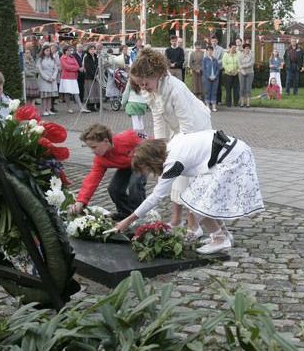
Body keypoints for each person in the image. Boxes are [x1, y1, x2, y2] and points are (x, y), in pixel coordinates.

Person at [114, 130, 264, 254]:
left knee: (195, 200)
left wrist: (127, 220)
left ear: (151, 161)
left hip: (232, 158)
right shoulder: (171, 145)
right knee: (202, 198)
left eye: (146, 169)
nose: (148, 173)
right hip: (230, 153)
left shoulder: (173, 162)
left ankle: (220, 240)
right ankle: (224, 235)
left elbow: (156, 197)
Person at [129, 48, 213, 240]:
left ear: (156, 74)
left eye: (144, 82)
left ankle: (194, 226)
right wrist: (160, 148)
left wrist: (176, 151)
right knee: (174, 173)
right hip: (178, 130)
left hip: (197, 130)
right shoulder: (150, 90)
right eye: (139, 84)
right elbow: (158, 118)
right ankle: (176, 220)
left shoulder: (175, 89)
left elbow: (188, 126)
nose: (143, 87)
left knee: (187, 175)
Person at [68, 124, 146, 221]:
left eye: (94, 147)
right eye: (90, 148)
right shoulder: (100, 160)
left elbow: (147, 139)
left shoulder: (126, 138)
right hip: (126, 166)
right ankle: (125, 213)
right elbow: (91, 180)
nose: (93, 151)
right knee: (114, 189)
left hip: (142, 161)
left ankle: (139, 216)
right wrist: (80, 201)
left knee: (135, 185)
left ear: (106, 141)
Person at [37, 44, 59, 117]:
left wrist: (53, 77)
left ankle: (49, 109)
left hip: (52, 79)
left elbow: (56, 69)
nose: (48, 52)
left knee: (50, 96)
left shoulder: (52, 59)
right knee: (44, 96)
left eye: (49, 50)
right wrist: (47, 78)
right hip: (44, 80)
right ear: (43, 51)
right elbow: (40, 70)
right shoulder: (40, 59)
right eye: (47, 50)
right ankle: (44, 110)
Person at [59, 45, 82, 114]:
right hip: (66, 78)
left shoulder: (72, 57)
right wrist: (74, 68)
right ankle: (69, 108)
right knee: (67, 93)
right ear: (65, 51)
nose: (70, 52)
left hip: (73, 77)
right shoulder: (62, 58)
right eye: (69, 50)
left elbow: (77, 65)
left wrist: (73, 68)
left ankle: (81, 107)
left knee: (76, 92)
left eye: (71, 50)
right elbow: (66, 67)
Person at [82, 44, 100, 112]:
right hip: (89, 77)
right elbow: (88, 67)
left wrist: (97, 74)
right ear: (88, 50)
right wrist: (94, 75)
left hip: (96, 76)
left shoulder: (96, 57)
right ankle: (90, 106)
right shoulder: (87, 57)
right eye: (91, 49)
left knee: (95, 91)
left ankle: (95, 105)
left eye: (94, 49)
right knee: (90, 91)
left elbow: (97, 66)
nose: (93, 50)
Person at [202, 45, 221, 112]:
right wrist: (208, 76)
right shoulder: (204, 60)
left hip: (215, 78)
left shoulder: (215, 60)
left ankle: (213, 106)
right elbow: (204, 69)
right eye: (208, 50)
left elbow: (218, 69)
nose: (209, 52)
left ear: (213, 51)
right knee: (207, 91)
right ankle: (207, 106)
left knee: (214, 91)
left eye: (211, 50)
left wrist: (215, 76)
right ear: (206, 52)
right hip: (207, 78)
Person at [222, 42, 240, 107]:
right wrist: (229, 71)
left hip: (236, 74)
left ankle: (236, 103)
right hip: (228, 74)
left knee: (236, 89)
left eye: (235, 48)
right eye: (232, 48)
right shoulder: (226, 55)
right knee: (228, 89)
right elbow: (224, 64)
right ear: (229, 48)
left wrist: (237, 71)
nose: (234, 49)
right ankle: (228, 103)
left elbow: (239, 64)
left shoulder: (238, 54)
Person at [238, 43, 255, 108]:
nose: (247, 49)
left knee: (248, 88)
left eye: (248, 48)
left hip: (250, 73)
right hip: (241, 73)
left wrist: (243, 66)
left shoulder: (251, 55)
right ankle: (242, 102)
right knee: (242, 88)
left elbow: (251, 63)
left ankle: (248, 103)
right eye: (246, 48)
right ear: (243, 49)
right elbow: (239, 64)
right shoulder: (240, 55)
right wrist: (242, 71)